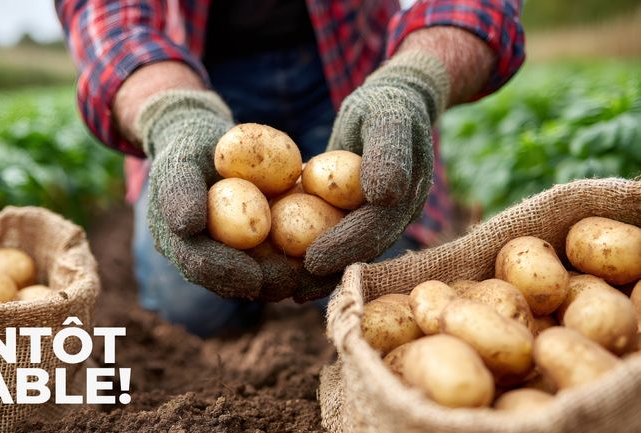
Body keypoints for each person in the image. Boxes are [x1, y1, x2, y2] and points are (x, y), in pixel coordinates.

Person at [56, 0, 525, 336]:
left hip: (348, 70)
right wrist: (172, 113)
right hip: (191, 70)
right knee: (192, 304)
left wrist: (414, 80)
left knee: (373, 274)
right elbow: (109, 19)